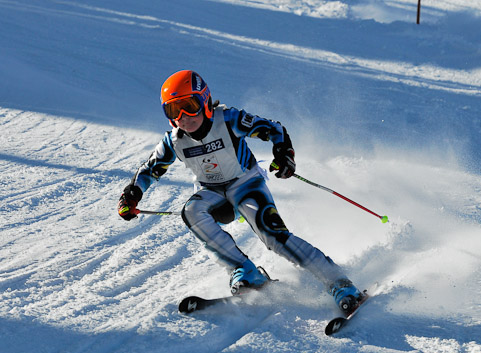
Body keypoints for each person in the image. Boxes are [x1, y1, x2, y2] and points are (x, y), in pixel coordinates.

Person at [118, 70, 364, 314]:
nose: (183, 117)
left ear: (204, 101)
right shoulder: (174, 140)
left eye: (189, 106)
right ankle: (245, 271)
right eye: (173, 111)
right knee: (191, 211)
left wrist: (283, 153)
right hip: (212, 194)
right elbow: (150, 169)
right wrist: (131, 195)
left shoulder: (227, 120)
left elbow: (273, 129)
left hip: (246, 184)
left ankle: (340, 284)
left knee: (273, 236)